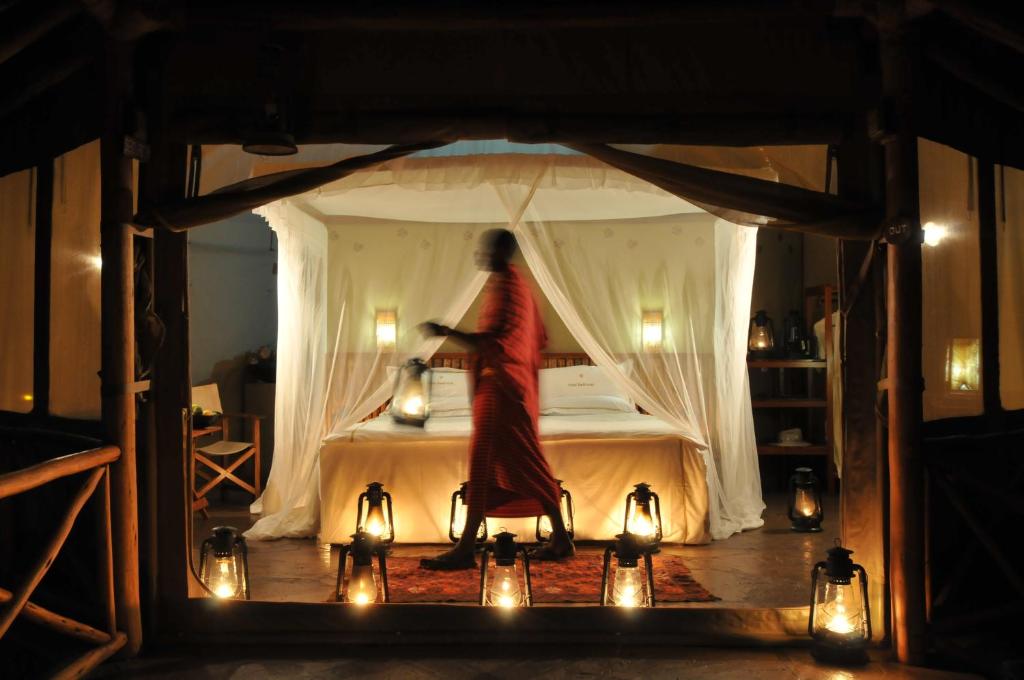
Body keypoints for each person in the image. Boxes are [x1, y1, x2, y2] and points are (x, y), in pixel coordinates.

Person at [419, 229, 575, 569]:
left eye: (488, 249)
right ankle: (560, 538)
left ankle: (465, 550)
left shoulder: (510, 288)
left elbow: (492, 341)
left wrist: (446, 332)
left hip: (503, 386)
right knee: (493, 464)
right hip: (501, 384)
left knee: (500, 460)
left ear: (503, 252)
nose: (481, 255)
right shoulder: (508, 287)